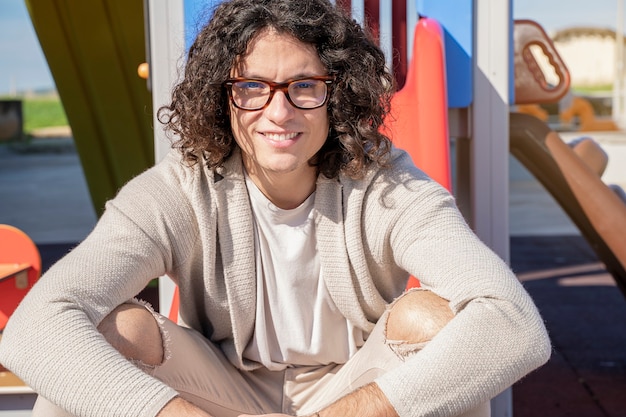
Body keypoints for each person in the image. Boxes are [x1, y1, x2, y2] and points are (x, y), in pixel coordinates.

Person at [0, 1, 551, 416]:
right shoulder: (180, 189)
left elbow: (515, 325)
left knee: (436, 322)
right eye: (252, 87)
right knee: (109, 332)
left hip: (353, 386)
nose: (279, 111)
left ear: (337, 94)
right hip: (221, 391)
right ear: (223, 95)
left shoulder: (387, 185)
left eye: (304, 86)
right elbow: (34, 328)